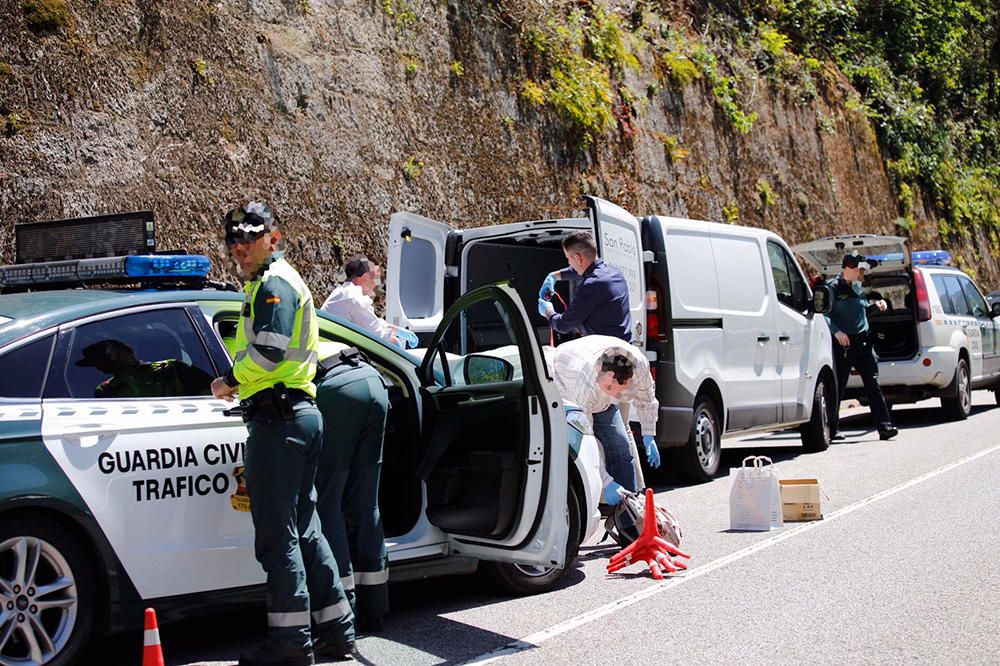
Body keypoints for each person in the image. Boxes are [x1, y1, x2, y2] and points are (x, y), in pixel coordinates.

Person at [210, 200, 354, 666]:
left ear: (273, 237)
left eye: (249, 238)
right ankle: (337, 630)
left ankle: (291, 645)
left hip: (279, 422)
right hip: (296, 416)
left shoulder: (274, 284)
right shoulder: (270, 281)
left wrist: (228, 382)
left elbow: (269, 354)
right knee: (305, 529)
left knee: (278, 536)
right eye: (233, 239)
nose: (239, 247)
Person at [314, 346, 391, 633]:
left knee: (328, 504)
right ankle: (374, 608)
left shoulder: (260, 323)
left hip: (335, 388)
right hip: (372, 380)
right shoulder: (316, 322)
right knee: (365, 504)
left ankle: (343, 606)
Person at [546, 335, 661, 505]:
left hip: (595, 393)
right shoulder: (581, 384)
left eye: (617, 390)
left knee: (621, 444)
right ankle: (600, 501)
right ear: (600, 371)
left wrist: (649, 433)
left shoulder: (639, 364)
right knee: (593, 448)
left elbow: (647, 397)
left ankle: (631, 512)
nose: (612, 393)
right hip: (562, 381)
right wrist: (606, 483)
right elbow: (584, 441)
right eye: (608, 387)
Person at [826, 252, 898, 441]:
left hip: (864, 344)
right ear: (849, 268)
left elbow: (863, 309)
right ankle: (832, 429)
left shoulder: (859, 287)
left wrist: (877, 305)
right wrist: (836, 331)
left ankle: (885, 426)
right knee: (838, 387)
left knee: (873, 385)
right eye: (860, 270)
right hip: (844, 346)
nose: (863, 274)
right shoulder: (832, 288)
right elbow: (823, 313)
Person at [536, 231, 632, 342]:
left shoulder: (592, 285)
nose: (569, 263)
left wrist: (548, 311)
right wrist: (554, 276)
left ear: (577, 258)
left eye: (568, 258)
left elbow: (563, 325)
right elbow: (581, 270)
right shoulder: (614, 271)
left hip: (608, 355)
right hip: (625, 349)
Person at [321, 256, 418, 350]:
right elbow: (379, 337)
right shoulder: (355, 298)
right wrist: (400, 350)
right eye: (376, 277)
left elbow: (372, 322)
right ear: (366, 277)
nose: (377, 283)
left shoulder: (345, 291)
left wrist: (396, 330)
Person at [76, 339, 211, 398]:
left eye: (98, 363)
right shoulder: (104, 391)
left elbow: (211, 393)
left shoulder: (170, 369)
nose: (99, 368)